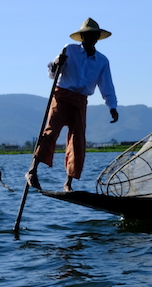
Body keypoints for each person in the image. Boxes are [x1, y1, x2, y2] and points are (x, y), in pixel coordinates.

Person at [26, 18, 119, 192]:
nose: (90, 38)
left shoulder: (102, 61)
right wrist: (56, 64)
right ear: (82, 37)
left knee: (77, 141)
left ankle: (68, 183)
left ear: (98, 37)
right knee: (50, 133)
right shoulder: (69, 50)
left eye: (94, 35)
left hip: (80, 100)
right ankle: (32, 171)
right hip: (61, 96)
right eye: (87, 35)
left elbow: (107, 85)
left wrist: (112, 107)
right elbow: (52, 73)